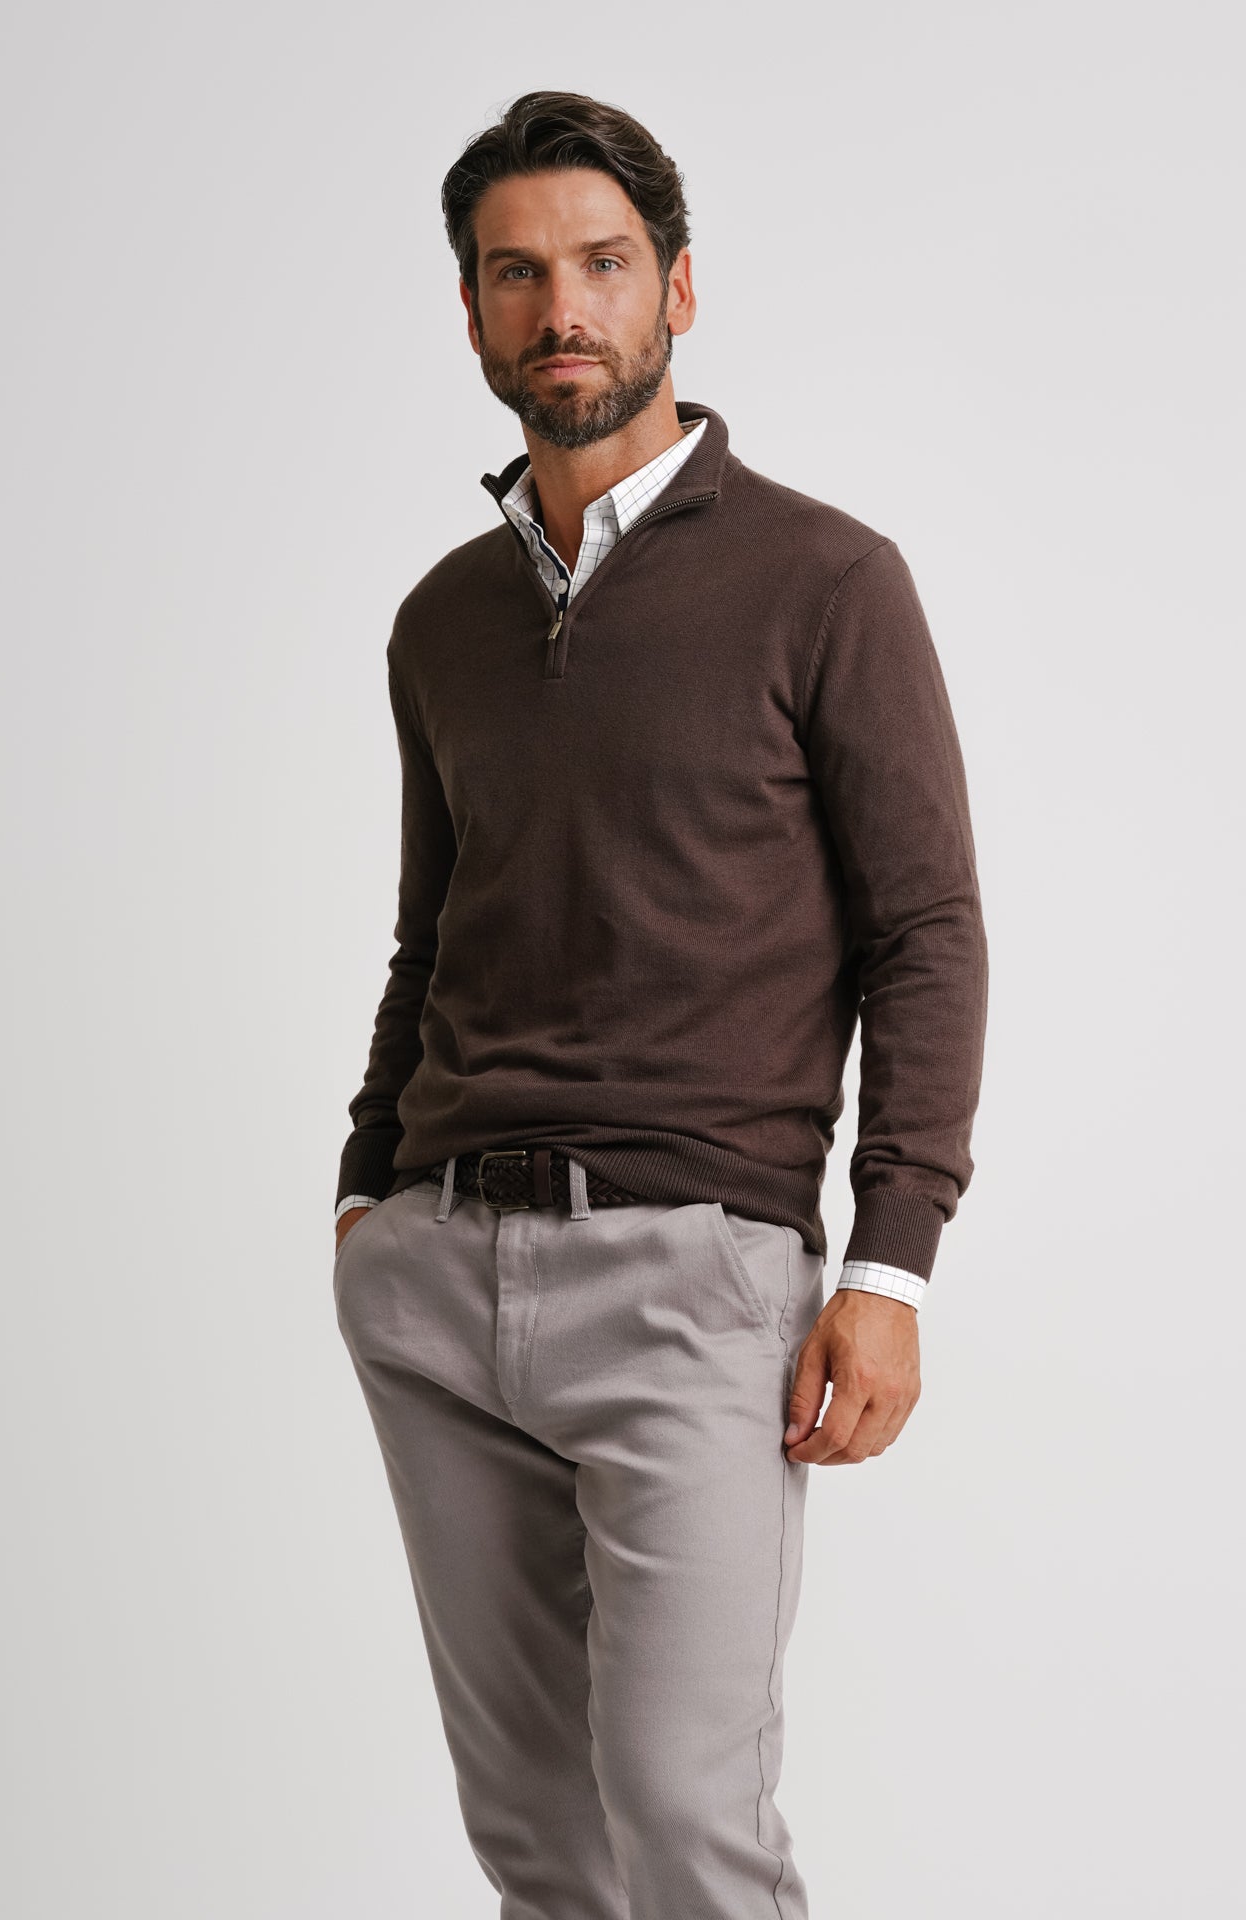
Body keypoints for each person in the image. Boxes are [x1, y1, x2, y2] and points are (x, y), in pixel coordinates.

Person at [332, 88, 988, 1920]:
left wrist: (891, 1266)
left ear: (678, 290)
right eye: (516, 273)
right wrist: (366, 1189)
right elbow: (429, 932)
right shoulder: (441, 621)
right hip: (436, 1281)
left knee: (686, 1822)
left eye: (604, 265)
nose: (564, 308)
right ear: (471, 311)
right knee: (541, 1844)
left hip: (693, 1282)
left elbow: (927, 931)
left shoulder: (826, 582)